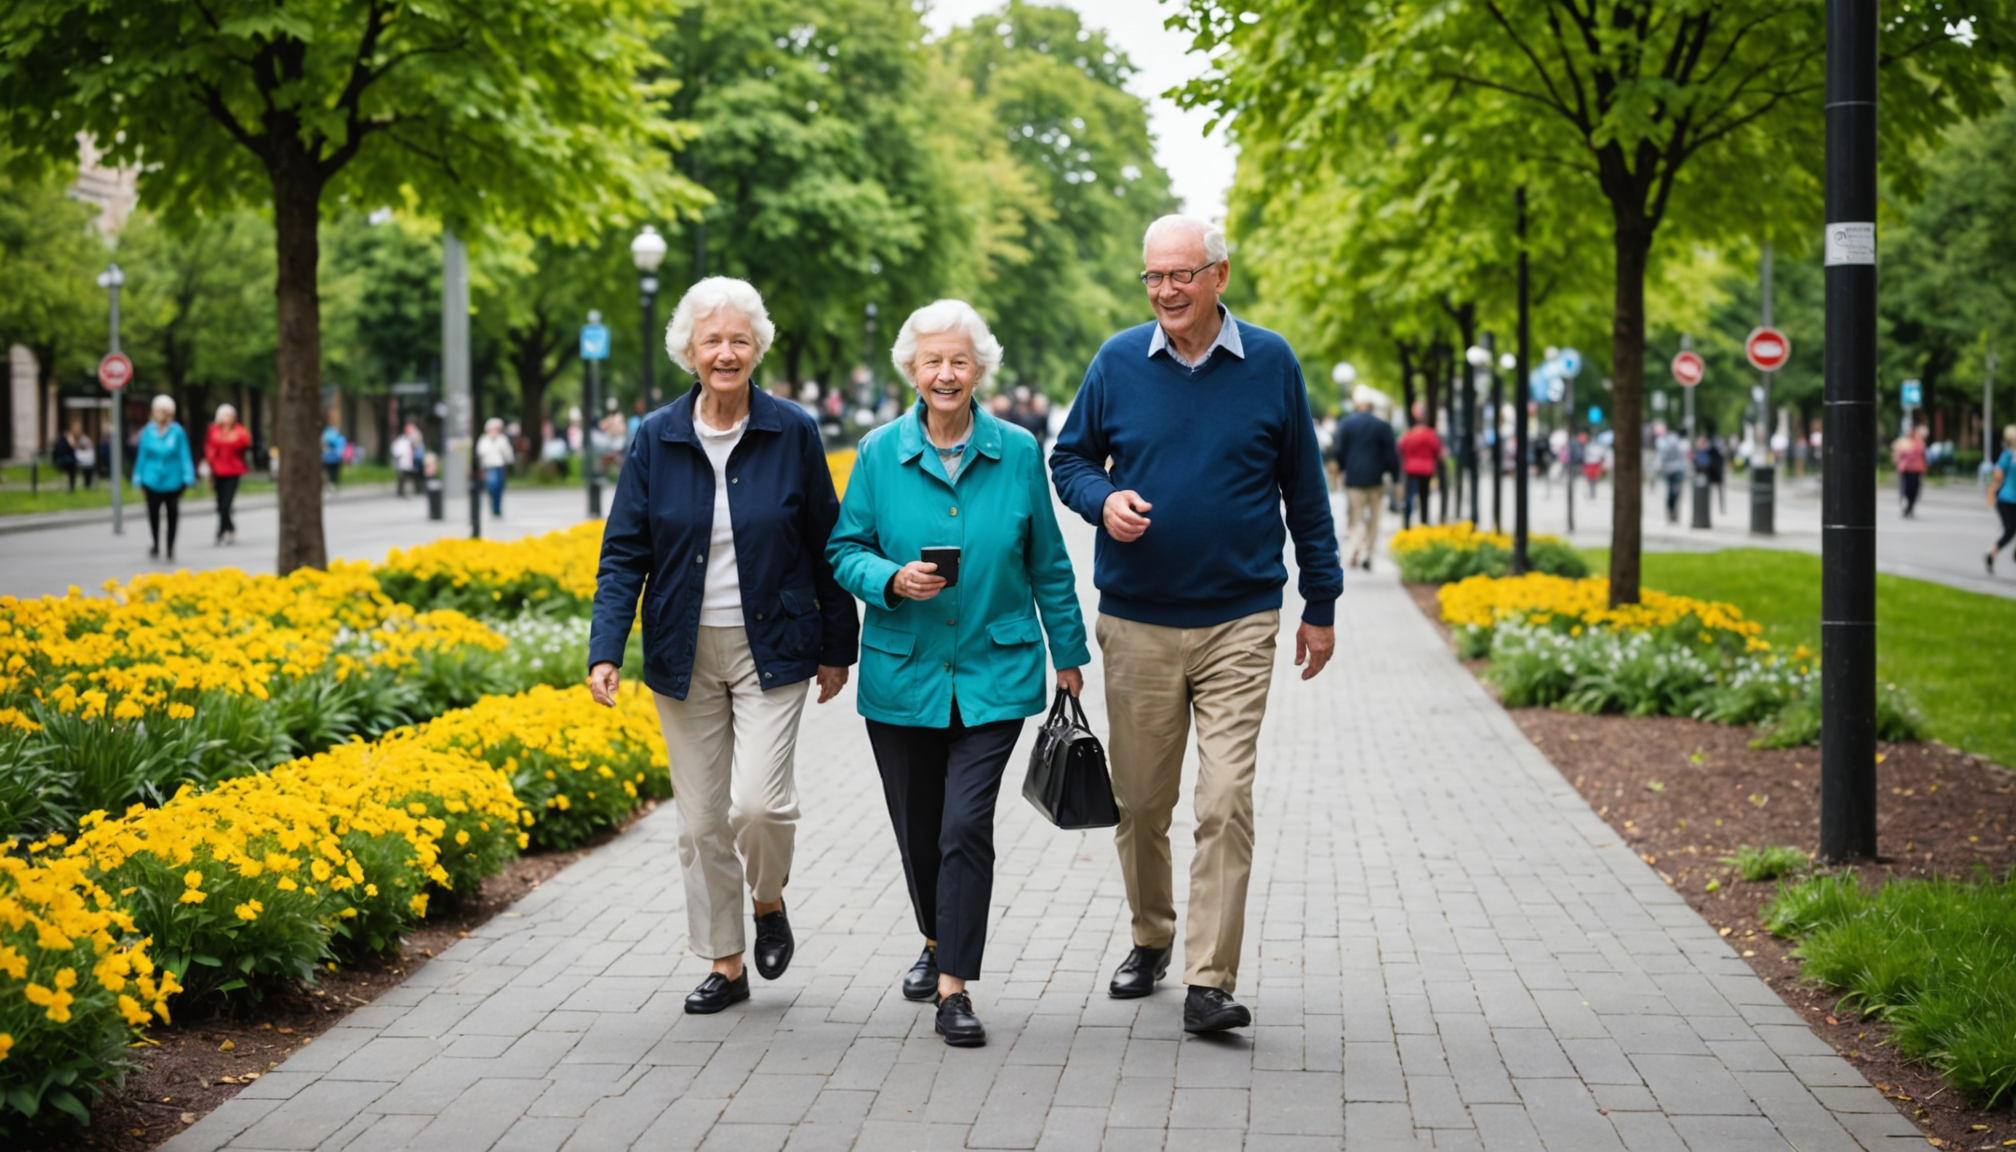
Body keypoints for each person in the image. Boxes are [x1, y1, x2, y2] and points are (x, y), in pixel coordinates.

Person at [1051, 215, 1342, 1034]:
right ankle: (1150, 937)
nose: (1167, 291)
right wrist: (1102, 501)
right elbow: (1068, 459)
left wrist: (1321, 602)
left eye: (1182, 275)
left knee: (1225, 798)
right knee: (1141, 803)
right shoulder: (1116, 362)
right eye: (1154, 278)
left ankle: (1210, 980)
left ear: (1219, 275)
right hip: (1138, 621)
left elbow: (1306, 491)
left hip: (1240, 617)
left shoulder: (1271, 363)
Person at [586, 277, 857, 1017]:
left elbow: (826, 540)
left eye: (740, 340)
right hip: (682, 649)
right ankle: (726, 963)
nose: (726, 353)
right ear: (690, 351)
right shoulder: (656, 436)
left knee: (758, 807)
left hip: (774, 640)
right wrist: (605, 648)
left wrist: (839, 646)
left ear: (757, 347)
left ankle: (768, 901)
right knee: (701, 820)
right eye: (713, 341)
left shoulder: (792, 429)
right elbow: (623, 553)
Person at [826, 300, 1088, 1048]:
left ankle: (954, 987)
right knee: (917, 830)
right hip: (902, 675)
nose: (946, 374)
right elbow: (844, 548)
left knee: (965, 823)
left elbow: (1047, 560)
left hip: (994, 671)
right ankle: (936, 937)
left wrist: (1068, 653)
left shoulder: (1017, 450)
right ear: (913, 369)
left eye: (960, 362)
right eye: (933, 361)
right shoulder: (879, 452)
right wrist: (887, 578)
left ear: (980, 372)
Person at [1335, 390, 1400, 570]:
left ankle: (1356, 548)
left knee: (1356, 518)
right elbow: (1391, 455)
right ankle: (1367, 553)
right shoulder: (1382, 425)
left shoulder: (1346, 424)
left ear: (1356, 406)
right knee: (1374, 519)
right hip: (1376, 479)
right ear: (1371, 407)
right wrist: (1394, 477)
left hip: (1354, 479)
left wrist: (1341, 470)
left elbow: (1340, 451)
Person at [134, 394, 196, 563]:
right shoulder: (148, 431)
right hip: (151, 478)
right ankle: (155, 543)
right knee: (153, 513)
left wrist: (188, 475)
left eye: (165, 411)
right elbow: (142, 455)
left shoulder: (177, 432)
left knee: (172, 513)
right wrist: (138, 476)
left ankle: (170, 546)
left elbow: (184, 455)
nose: (161, 415)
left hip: (173, 479)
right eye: (159, 411)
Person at [204, 404, 251, 544]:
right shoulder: (213, 430)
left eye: (230, 415)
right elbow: (210, 448)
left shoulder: (239, 431)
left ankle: (220, 531)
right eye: (225, 415)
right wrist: (210, 465)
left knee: (226, 503)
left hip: (233, 471)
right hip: (218, 471)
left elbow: (244, 443)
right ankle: (229, 527)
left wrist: (231, 438)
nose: (227, 418)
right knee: (220, 503)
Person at [1397, 410, 1443, 529]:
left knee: (1409, 496)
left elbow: (1400, 449)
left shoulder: (1408, 434)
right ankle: (1424, 521)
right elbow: (1438, 450)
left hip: (1411, 469)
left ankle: (1407, 523)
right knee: (1424, 497)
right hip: (1426, 470)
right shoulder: (1430, 434)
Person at [1987, 426, 2016, 575]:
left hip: (2008, 498)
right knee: (2010, 530)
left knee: (2010, 530)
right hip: (2007, 498)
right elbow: (1997, 474)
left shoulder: (2009, 456)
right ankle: (1992, 553)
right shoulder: (2008, 456)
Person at [476, 417, 515, 517]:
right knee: (492, 488)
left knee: (499, 488)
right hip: (489, 467)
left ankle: (497, 508)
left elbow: (507, 453)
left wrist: (510, 461)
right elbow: (480, 453)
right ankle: (494, 508)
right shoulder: (484, 440)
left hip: (499, 466)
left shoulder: (502, 440)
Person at [1654, 423, 1687, 523]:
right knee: (1676, 491)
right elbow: (1683, 456)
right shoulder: (1677, 440)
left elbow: (1660, 458)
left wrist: (1657, 470)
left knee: (1670, 491)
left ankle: (1671, 509)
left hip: (1668, 470)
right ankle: (1673, 510)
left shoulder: (1661, 442)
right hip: (1678, 470)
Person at [1893, 424, 1927, 518]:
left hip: (1916, 469)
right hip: (1906, 469)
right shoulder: (1903, 441)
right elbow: (1897, 453)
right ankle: (1906, 506)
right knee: (1905, 489)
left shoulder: (1919, 442)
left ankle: (1910, 507)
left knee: (1913, 490)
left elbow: (1922, 454)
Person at [320, 421, 347, 489]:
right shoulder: (336, 435)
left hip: (327, 457)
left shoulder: (325, 434)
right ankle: (332, 483)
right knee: (333, 472)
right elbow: (341, 446)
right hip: (334, 457)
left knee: (329, 471)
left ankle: (329, 483)